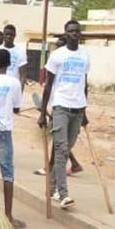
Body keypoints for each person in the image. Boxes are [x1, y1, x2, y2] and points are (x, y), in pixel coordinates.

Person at [38, 20, 90, 209]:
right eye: (70, 31)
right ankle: (63, 193)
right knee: (61, 151)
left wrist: (84, 110)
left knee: (65, 151)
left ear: (80, 34)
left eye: (77, 31)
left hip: (77, 109)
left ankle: (50, 188)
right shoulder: (57, 55)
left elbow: (85, 84)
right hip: (60, 106)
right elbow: (48, 85)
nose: (74, 34)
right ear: (66, 34)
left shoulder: (85, 56)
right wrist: (43, 113)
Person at [0, 48, 25, 229]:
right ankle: (8, 215)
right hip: (2, 128)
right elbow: (16, 107)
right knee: (7, 172)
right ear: (9, 64)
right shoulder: (14, 82)